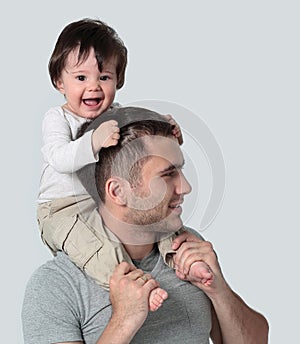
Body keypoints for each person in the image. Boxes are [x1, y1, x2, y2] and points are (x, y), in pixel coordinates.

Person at [23, 106, 269, 343]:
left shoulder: (188, 251)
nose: (185, 187)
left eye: (180, 171)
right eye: (167, 174)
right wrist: (124, 320)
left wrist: (218, 289)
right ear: (118, 192)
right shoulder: (55, 287)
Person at [36, 18, 202, 310]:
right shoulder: (58, 118)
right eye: (81, 78)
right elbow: (58, 158)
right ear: (59, 82)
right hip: (63, 208)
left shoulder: (115, 112)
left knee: (158, 218)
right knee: (98, 248)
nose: (94, 87)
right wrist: (92, 142)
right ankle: (133, 285)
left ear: (118, 80)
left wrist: (168, 127)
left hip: (101, 202)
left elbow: (142, 138)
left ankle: (180, 260)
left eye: (104, 77)